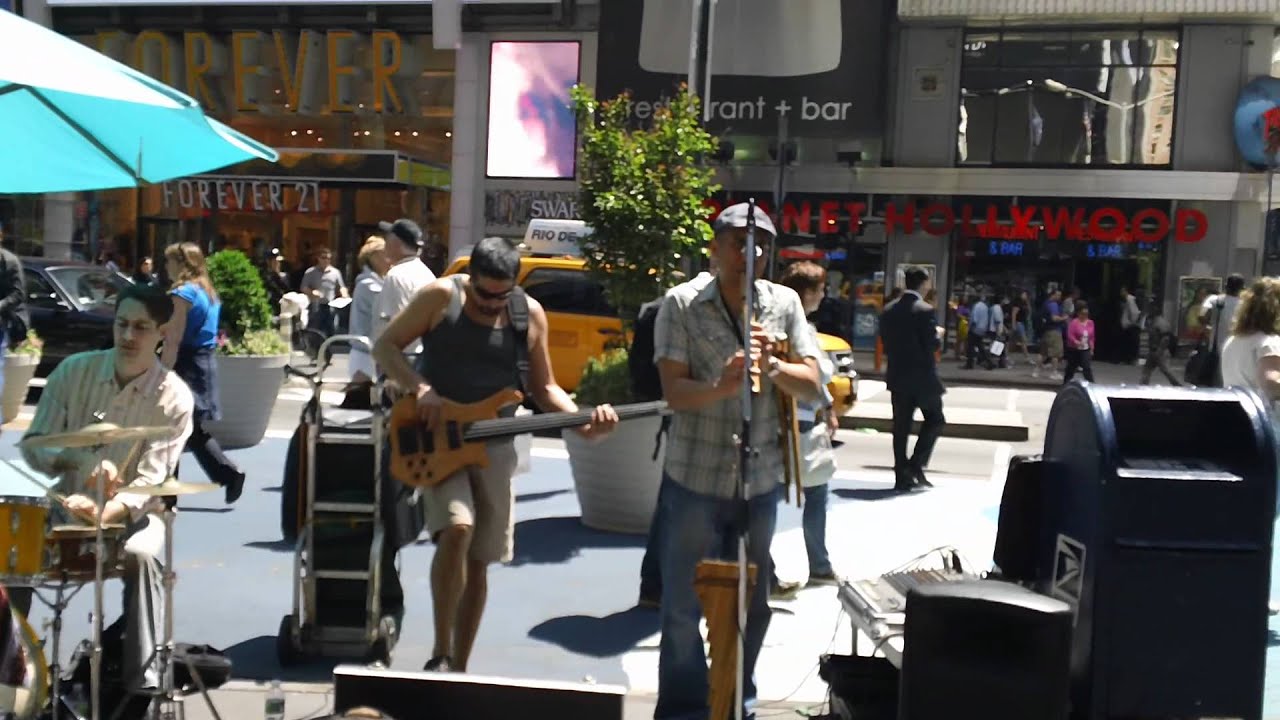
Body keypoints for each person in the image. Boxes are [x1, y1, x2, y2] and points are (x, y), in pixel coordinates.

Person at [371, 236, 618, 673]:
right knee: (457, 528)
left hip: (496, 446)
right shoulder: (439, 298)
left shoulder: (528, 314)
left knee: (481, 559)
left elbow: (544, 389)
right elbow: (386, 347)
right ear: (470, 280)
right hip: (438, 439)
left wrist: (582, 421)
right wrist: (419, 387)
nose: (491, 305)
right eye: (484, 295)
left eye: (501, 296)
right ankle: (440, 651)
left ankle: (460, 667)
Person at [652, 202, 822, 720]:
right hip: (694, 478)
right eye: (739, 242)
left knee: (753, 603)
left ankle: (734, 703)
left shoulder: (784, 303)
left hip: (759, 481)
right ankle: (683, 708)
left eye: (764, 244)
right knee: (683, 605)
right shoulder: (681, 303)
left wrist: (773, 365)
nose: (753, 253)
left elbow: (814, 387)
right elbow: (674, 393)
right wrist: (720, 385)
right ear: (715, 247)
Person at [20, 283, 194, 699]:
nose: (128, 336)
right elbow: (34, 445)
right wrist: (78, 462)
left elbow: (151, 482)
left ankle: (143, 683)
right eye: (121, 324)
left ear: (161, 335)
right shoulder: (72, 370)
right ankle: (13, 671)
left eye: (140, 327)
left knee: (142, 554)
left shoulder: (175, 398)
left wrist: (106, 512)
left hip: (134, 515)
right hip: (65, 499)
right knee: (12, 545)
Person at [160, 242, 245, 503]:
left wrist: (162, 372)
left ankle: (168, 493)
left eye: (169, 261)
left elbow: (173, 338)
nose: (166, 267)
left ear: (181, 264)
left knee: (172, 428)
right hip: (203, 362)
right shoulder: (207, 292)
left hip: (185, 364)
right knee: (189, 429)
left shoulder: (183, 293)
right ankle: (226, 474)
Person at [773, 261, 839, 586]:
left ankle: (816, 565)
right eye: (821, 289)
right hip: (790, 423)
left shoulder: (798, 326)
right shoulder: (792, 328)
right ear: (808, 292)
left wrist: (827, 405)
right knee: (779, 499)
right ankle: (817, 566)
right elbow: (817, 375)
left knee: (783, 498)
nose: (824, 295)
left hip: (798, 421)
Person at [878, 267, 945, 492]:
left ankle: (901, 473)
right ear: (924, 284)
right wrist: (938, 334)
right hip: (922, 377)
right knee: (935, 419)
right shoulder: (925, 310)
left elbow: (885, 341)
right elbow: (932, 344)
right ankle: (915, 464)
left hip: (898, 375)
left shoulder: (888, 310)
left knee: (901, 427)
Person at [372, 219, 437, 359]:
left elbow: (397, 325)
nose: (385, 243)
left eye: (388, 238)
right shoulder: (427, 273)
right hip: (423, 356)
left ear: (396, 243)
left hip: (402, 359)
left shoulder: (396, 275)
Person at [349, 236, 390, 386]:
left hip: (371, 353)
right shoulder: (369, 285)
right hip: (365, 354)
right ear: (373, 257)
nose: (389, 259)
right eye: (385, 255)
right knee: (362, 404)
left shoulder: (378, 282)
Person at [300, 248, 347, 336]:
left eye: (328, 258)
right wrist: (312, 292)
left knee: (331, 329)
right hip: (316, 305)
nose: (326, 260)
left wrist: (344, 295)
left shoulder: (335, 272)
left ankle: (328, 348)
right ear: (318, 258)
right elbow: (303, 287)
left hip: (330, 305)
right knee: (315, 329)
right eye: (324, 257)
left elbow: (341, 287)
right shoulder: (310, 272)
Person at [1063, 301, 1096, 383]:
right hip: (1074, 349)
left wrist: (1092, 348)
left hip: (1085, 348)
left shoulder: (1090, 323)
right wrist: (1076, 342)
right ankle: (1066, 383)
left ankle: (1091, 383)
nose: (1084, 316)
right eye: (1082, 314)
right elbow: (1070, 335)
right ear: (1078, 313)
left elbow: (1092, 337)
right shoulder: (1074, 323)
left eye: (1086, 314)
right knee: (1071, 368)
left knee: (1086, 366)